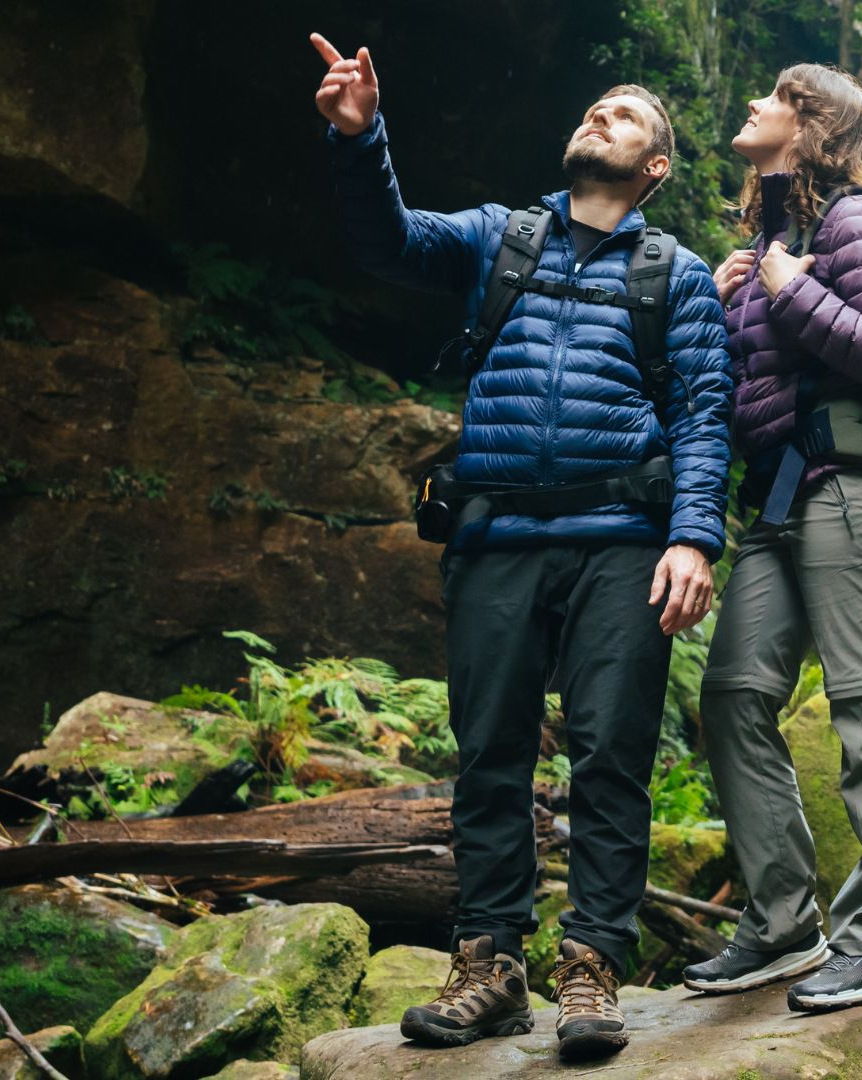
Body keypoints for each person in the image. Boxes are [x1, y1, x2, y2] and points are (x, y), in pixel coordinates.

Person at [310, 32, 733, 1060]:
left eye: (625, 116)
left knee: (611, 756)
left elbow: (708, 414)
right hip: (497, 535)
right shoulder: (500, 237)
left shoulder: (674, 277)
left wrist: (693, 538)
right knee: (491, 753)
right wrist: (361, 140)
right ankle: (489, 963)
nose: (601, 117)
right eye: (596, 108)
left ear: (655, 167)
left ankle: (590, 968)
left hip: (623, 545)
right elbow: (389, 244)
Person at [681, 63, 862, 1012]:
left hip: (857, 490)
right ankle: (785, 922)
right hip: (780, 503)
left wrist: (791, 289)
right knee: (735, 694)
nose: (752, 103)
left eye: (773, 97)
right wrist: (719, 297)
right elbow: (738, 387)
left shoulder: (860, 220)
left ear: (812, 122)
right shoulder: (767, 239)